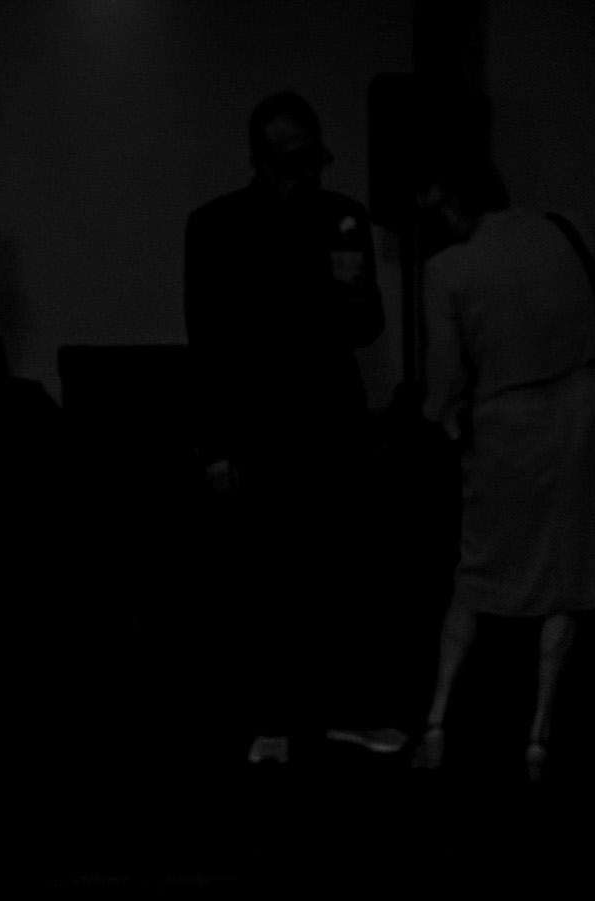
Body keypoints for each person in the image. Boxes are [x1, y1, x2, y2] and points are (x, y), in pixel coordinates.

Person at [184, 92, 402, 763]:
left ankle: (330, 712)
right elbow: (208, 338)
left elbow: (367, 325)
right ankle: (270, 718)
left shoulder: (341, 219)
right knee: (266, 577)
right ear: (263, 159)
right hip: (260, 427)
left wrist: (356, 293)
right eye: (292, 160)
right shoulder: (218, 225)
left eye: (312, 158)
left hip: (330, 420)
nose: (306, 172)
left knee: (336, 572)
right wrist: (217, 443)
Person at [411, 156, 595, 781]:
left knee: (480, 571)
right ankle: (540, 733)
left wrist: (438, 416)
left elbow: (445, 377)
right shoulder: (558, 229)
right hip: (586, 418)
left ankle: (438, 719)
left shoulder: (447, 269)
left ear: (449, 205)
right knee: (567, 575)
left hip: (511, 427)